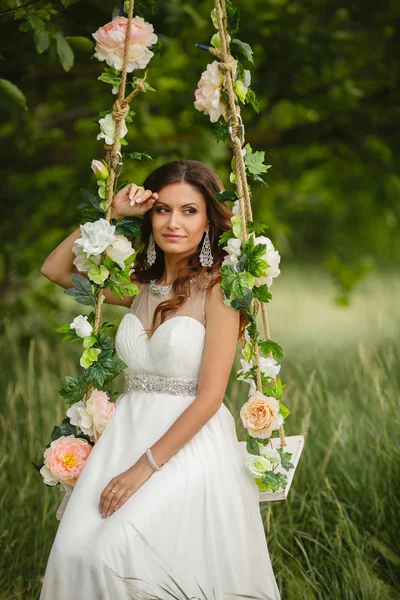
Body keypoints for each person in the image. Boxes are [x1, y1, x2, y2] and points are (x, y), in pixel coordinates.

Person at [39, 160, 281, 600]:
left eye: (189, 211)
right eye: (162, 209)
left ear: (209, 220)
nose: (174, 222)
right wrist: (109, 213)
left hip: (185, 445)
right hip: (125, 437)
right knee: (75, 553)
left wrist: (141, 470)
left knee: (114, 553)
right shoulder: (139, 286)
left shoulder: (220, 290)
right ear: (149, 216)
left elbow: (210, 398)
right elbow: (55, 269)